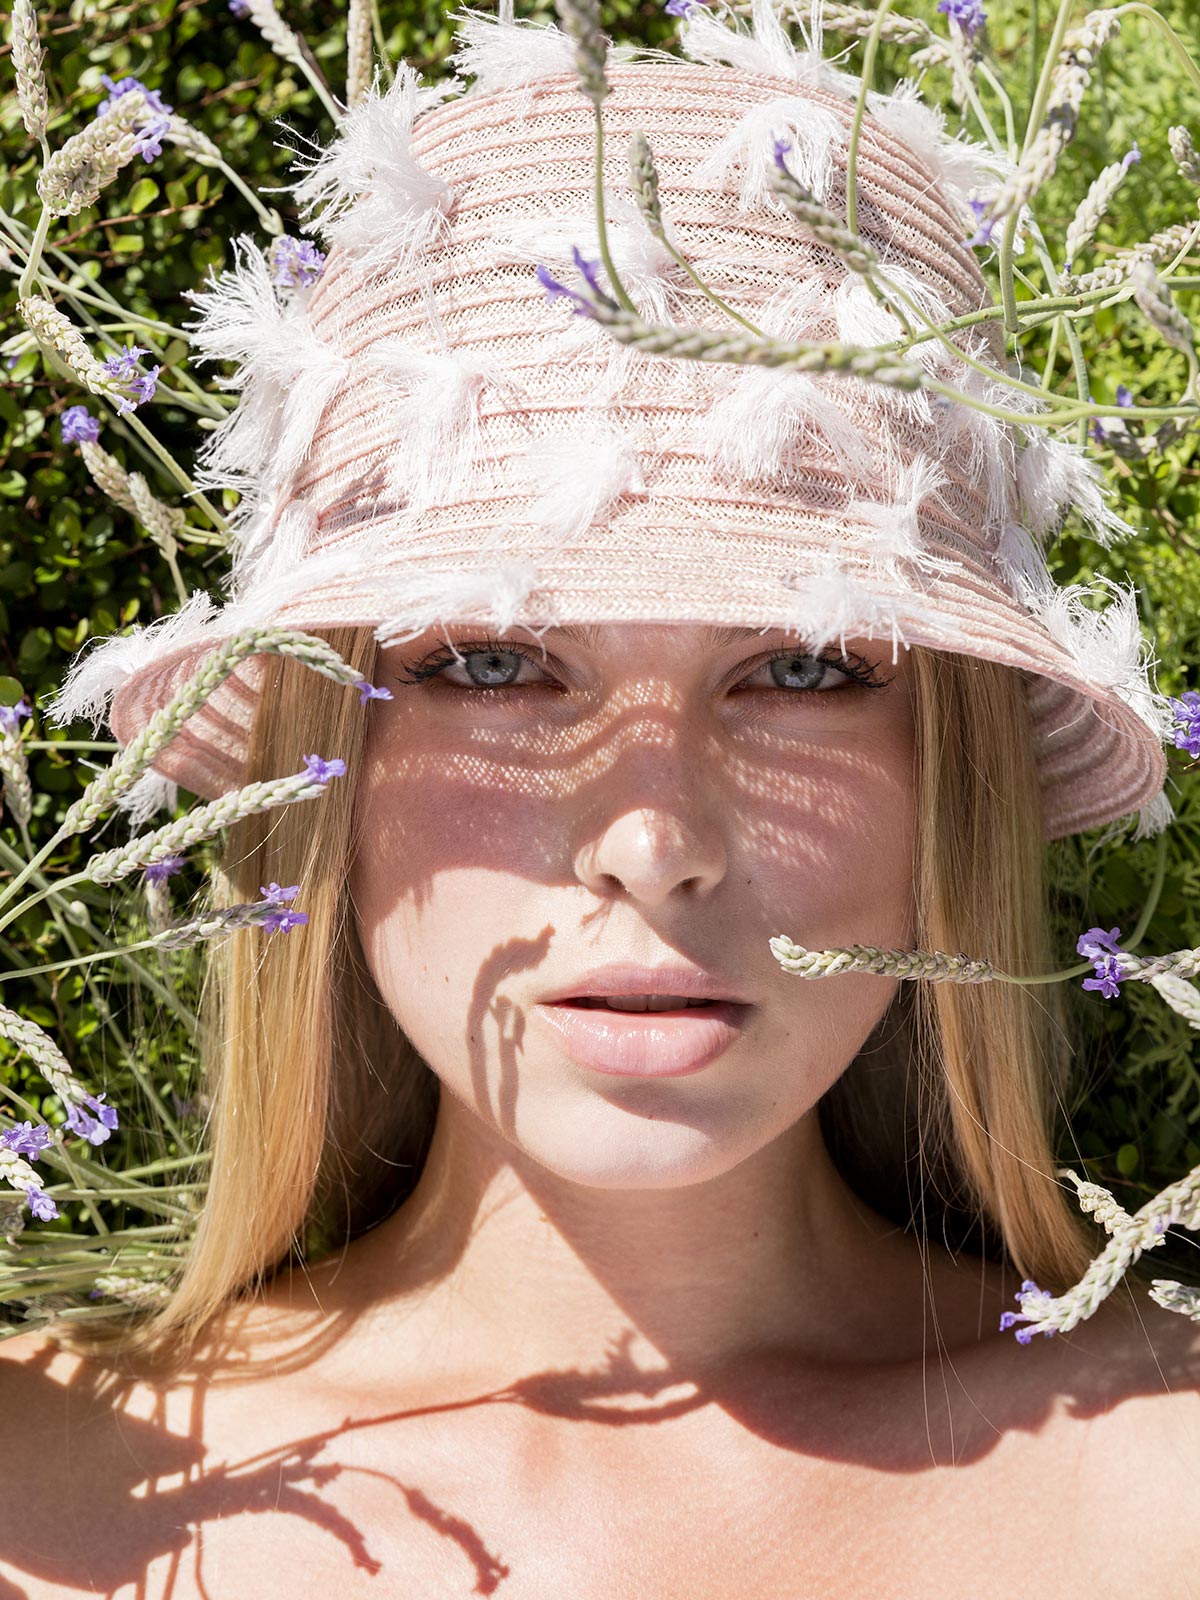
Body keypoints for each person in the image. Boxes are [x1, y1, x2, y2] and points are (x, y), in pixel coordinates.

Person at [2, 2, 1197, 1592]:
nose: (652, 843)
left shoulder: (1165, 1483)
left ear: (948, 785)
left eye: (806, 668)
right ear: (326, 771)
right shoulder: (45, 1494)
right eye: (495, 666)